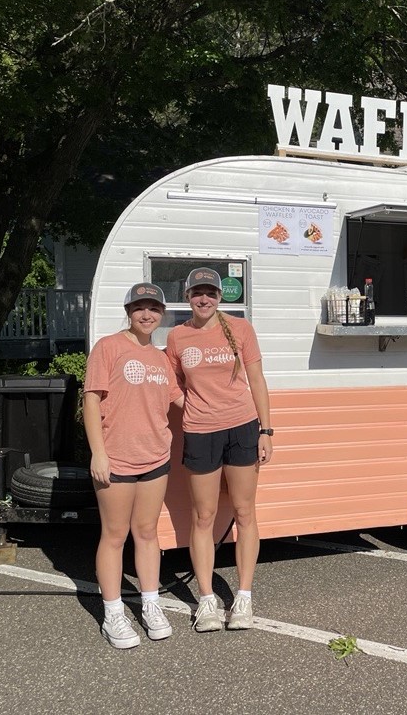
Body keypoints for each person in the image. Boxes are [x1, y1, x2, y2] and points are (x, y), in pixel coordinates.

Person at [165, 267, 273, 633]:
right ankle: (207, 599)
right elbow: (171, 383)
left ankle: (243, 596)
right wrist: (191, 405)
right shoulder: (177, 336)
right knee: (203, 516)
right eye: (197, 293)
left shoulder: (240, 329)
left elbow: (256, 379)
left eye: (210, 292)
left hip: (242, 428)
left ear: (220, 297)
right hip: (200, 432)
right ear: (187, 297)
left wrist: (266, 429)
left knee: (244, 512)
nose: (204, 299)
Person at [83, 283, 184, 649]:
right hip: (117, 458)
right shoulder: (108, 347)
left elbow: (180, 400)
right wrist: (98, 452)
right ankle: (112, 612)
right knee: (114, 535)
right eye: (140, 307)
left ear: (161, 314)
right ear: (129, 311)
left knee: (146, 533)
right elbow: (91, 401)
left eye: (154, 308)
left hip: (156, 457)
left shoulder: (159, 358)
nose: (147, 314)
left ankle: (151, 604)